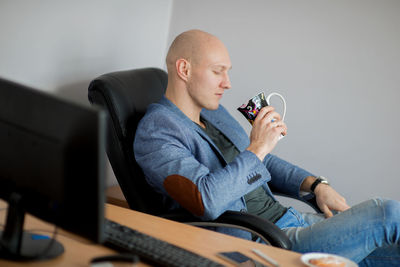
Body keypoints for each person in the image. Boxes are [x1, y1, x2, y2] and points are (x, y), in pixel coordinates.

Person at [134, 29, 400, 266]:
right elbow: (205, 200)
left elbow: (261, 164)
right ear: (184, 70)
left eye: (228, 72)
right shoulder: (157, 131)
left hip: (292, 221)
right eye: (218, 71)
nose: (227, 83)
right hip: (261, 243)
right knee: (385, 213)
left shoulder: (213, 113)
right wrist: (258, 147)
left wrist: (316, 186)